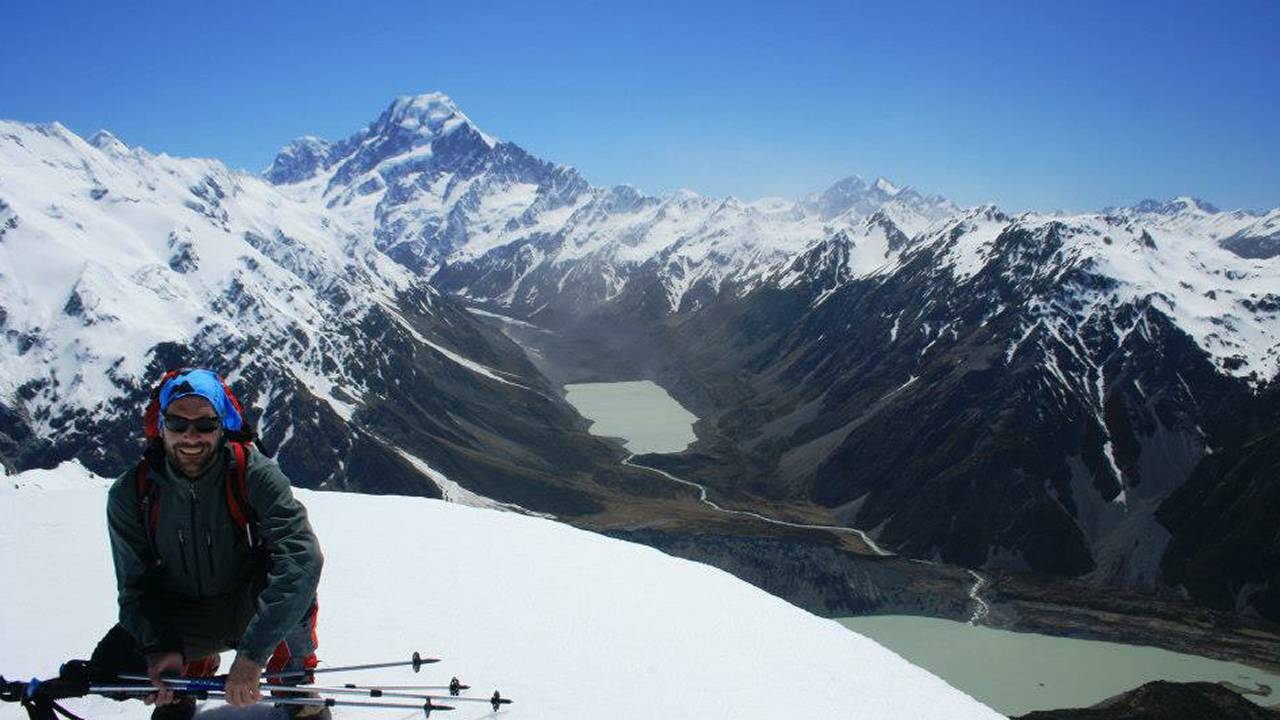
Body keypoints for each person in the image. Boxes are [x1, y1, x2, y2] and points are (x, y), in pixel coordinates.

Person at [88, 368, 326, 720]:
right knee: (114, 663)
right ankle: (184, 684)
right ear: (161, 426)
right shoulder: (132, 495)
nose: (191, 437)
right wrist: (160, 648)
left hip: (250, 606)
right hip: (187, 614)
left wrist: (253, 655)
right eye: (177, 424)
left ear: (222, 424)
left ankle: (292, 681)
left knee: (293, 589)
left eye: (205, 425)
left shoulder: (251, 473)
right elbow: (134, 589)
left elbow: (303, 558)